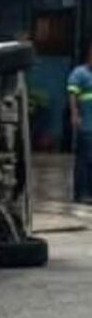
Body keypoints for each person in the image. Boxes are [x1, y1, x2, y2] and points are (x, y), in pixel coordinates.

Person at [68, 42, 92, 204]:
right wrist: (75, 114)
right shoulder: (80, 73)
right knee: (85, 160)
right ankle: (81, 194)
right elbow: (72, 95)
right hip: (87, 125)